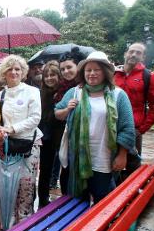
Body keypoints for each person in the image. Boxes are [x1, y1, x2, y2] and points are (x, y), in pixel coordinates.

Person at [55, 51, 136, 203]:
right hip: (77, 159)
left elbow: (127, 128)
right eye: (88, 70)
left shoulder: (118, 95)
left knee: (104, 203)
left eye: (96, 69)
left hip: (103, 159)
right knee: (78, 202)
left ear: (105, 72)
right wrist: (67, 110)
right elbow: (57, 113)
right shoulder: (74, 93)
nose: (92, 73)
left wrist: (122, 154)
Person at [0, 55, 42, 224]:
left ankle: (24, 221)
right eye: (10, 69)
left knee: (26, 185)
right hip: (8, 146)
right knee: (10, 183)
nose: (13, 72)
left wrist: (11, 129)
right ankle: (9, 218)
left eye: (17, 69)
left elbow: (35, 118)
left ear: (23, 73)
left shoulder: (33, 91)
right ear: (3, 74)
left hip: (29, 144)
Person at [114, 42, 154, 178]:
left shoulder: (150, 76)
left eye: (138, 53)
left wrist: (142, 128)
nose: (134, 55)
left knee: (132, 169)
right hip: (110, 127)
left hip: (133, 130)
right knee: (110, 166)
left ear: (143, 57)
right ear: (125, 54)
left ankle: (131, 198)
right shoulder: (113, 74)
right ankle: (109, 196)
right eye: (131, 51)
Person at [55, 48, 85, 194]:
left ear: (78, 66)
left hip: (87, 139)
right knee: (67, 171)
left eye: (69, 67)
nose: (66, 71)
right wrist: (67, 110)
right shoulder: (67, 89)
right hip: (67, 135)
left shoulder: (87, 85)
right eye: (63, 69)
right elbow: (58, 111)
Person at [37, 61, 62, 207]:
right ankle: (43, 199)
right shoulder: (41, 93)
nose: (49, 78)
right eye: (46, 75)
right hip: (45, 136)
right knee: (45, 170)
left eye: (53, 75)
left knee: (63, 168)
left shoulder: (63, 93)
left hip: (60, 136)